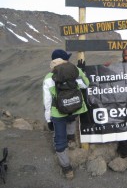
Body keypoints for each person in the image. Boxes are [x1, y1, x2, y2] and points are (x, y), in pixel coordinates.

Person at [43, 49, 89, 179]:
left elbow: (47, 102)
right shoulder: (76, 71)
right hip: (75, 108)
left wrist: (48, 119)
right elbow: (86, 84)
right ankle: (71, 141)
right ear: (64, 60)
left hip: (58, 113)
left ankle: (67, 168)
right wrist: (82, 71)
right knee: (71, 119)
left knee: (59, 139)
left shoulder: (48, 78)